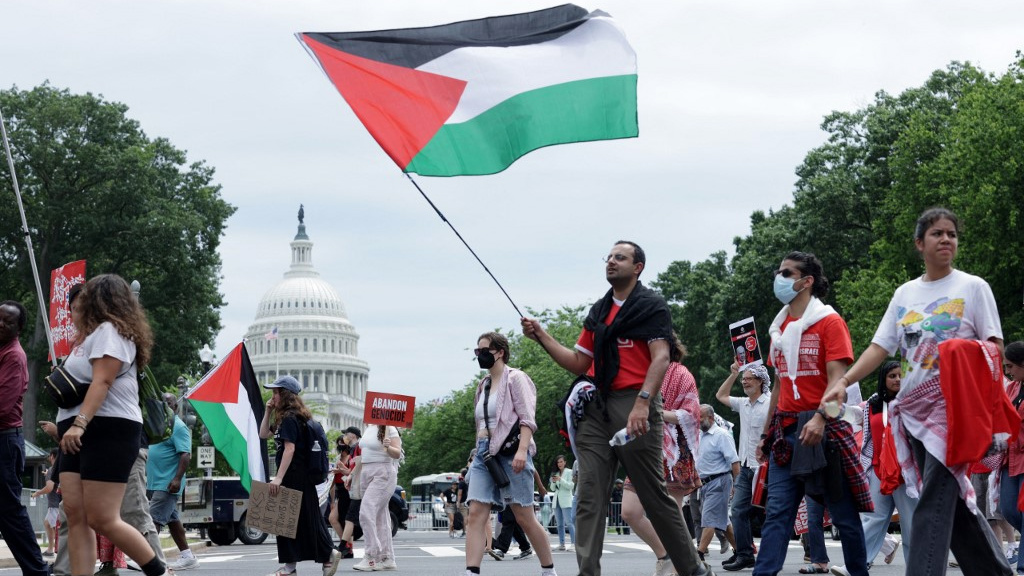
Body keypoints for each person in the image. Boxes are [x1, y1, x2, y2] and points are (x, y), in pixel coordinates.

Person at [822, 207, 1014, 576]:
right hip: (912, 414)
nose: (946, 239)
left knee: (931, 502)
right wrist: (843, 382)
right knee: (951, 505)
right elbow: (881, 347)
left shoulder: (973, 287)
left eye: (952, 234)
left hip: (954, 413)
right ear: (919, 243)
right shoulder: (905, 292)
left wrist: (959, 354)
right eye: (937, 233)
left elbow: (995, 349)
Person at [522, 240, 709, 576]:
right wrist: (543, 337)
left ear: (637, 267)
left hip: (635, 404)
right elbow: (580, 362)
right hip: (598, 407)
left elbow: (661, 358)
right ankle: (588, 573)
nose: (611, 262)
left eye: (620, 258)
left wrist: (643, 403)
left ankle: (694, 570)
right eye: (608, 257)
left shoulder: (651, 307)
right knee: (589, 494)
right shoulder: (599, 311)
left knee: (654, 497)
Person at [752, 252, 870, 576]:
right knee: (777, 513)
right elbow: (777, 387)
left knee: (844, 515)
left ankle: (860, 571)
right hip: (786, 433)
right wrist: (765, 434)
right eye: (779, 271)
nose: (779, 278)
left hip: (826, 429)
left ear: (807, 281)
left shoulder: (830, 323)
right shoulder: (779, 329)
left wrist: (820, 418)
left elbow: (839, 384)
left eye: (787, 273)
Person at [56, 275, 172, 576]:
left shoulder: (111, 331)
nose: (80, 301)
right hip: (75, 430)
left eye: (88, 295)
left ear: (99, 298)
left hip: (106, 429)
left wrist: (80, 424)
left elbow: (103, 381)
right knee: (75, 514)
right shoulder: (88, 337)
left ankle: (158, 571)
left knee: (102, 517)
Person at [464, 331, 556, 576]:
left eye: (485, 351)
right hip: (485, 454)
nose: (480, 356)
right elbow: (481, 423)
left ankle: (549, 570)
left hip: (512, 451)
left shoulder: (516, 378)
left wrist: (523, 451)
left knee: (524, 515)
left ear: (500, 352)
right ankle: (471, 571)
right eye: (477, 352)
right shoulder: (482, 385)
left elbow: (527, 419)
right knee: (475, 514)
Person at [619, 337, 701, 576]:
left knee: (672, 516)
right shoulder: (642, 374)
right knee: (629, 511)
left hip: (674, 451)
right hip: (644, 447)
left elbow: (691, 414)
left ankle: (681, 565)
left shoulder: (682, 374)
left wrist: (657, 413)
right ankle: (666, 555)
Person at [831, 361, 916, 576]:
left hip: (905, 473)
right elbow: (853, 416)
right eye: (892, 376)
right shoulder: (872, 404)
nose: (897, 379)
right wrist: (829, 407)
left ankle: (917, 569)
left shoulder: (912, 402)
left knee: (911, 524)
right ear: (883, 379)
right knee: (871, 520)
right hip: (879, 470)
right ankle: (855, 566)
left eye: (900, 376)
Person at [259, 375, 340, 576]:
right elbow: (263, 434)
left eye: (276, 392)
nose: (273, 396)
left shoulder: (289, 419)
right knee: (305, 519)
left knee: (285, 521)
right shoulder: (291, 418)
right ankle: (322, 556)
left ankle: (295, 565)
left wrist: (278, 477)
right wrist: (268, 410)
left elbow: (289, 449)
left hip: (293, 476)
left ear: (285, 395)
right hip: (300, 477)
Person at [0, 299, 50, 576]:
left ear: (18, 328)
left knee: (9, 512)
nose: (0, 324)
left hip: (5, 442)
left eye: (7, 321)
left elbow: (3, 405)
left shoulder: (14, 356)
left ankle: (37, 570)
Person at [715, 363, 770, 571]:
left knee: (770, 513)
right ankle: (745, 554)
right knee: (738, 510)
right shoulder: (743, 403)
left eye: (748, 378)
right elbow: (721, 395)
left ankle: (772, 554)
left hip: (766, 468)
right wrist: (733, 374)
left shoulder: (770, 403)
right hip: (747, 468)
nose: (744, 382)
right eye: (743, 379)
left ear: (760, 382)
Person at [146, 393, 199, 571]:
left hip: (167, 483)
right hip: (155, 482)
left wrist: (176, 479)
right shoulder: (157, 427)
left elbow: (185, 454)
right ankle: (187, 556)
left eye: (169, 403)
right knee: (173, 521)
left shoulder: (178, 426)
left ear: (175, 407)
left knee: (153, 522)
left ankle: (151, 561)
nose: (165, 406)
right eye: (162, 403)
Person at [354, 421, 403, 571]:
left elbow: (397, 453)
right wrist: (351, 474)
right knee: (380, 516)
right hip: (367, 472)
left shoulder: (390, 428)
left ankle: (371, 556)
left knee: (366, 511)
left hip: (383, 472)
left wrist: (387, 446)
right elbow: (364, 455)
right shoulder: (369, 427)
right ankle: (387, 558)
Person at [695, 405, 739, 561]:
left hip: (719, 482)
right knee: (723, 522)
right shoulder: (699, 435)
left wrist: (737, 485)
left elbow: (734, 462)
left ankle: (699, 555)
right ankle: (741, 552)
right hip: (705, 484)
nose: (697, 420)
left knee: (709, 519)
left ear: (711, 418)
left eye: (700, 417)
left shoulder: (722, 435)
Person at [1000, 341, 1024, 575]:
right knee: (1007, 509)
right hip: (1010, 457)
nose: (1008, 372)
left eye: (1010, 367)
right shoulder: (1011, 389)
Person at [338, 426, 363, 559]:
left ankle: (343, 547)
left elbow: (360, 464)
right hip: (356, 488)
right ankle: (344, 546)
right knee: (351, 518)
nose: (344, 438)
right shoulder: (354, 449)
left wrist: (350, 475)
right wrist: (345, 471)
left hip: (359, 489)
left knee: (350, 518)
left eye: (346, 435)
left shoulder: (358, 447)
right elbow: (352, 470)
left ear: (352, 436)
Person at [32, 449, 61, 558]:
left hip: (54, 503)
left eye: (49, 456)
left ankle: (53, 550)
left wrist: (37, 493)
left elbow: (49, 487)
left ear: (52, 456)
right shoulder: (59, 469)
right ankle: (51, 549)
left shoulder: (51, 470)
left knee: (56, 527)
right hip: (60, 502)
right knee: (48, 523)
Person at [328, 441, 352, 550]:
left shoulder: (350, 458)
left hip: (347, 490)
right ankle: (346, 545)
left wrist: (340, 470)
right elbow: (332, 482)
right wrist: (332, 501)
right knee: (334, 519)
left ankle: (346, 546)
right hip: (339, 491)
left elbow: (350, 473)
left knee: (344, 520)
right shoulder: (338, 460)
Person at [548, 455, 575, 551]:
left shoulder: (569, 472)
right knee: (559, 524)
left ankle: (573, 544)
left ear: (565, 462)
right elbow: (552, 488)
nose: (559, 464)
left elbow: (570, 486)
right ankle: (562, 544)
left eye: (561, 462)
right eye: (558, 462)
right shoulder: (556, 473)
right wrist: (553, 481)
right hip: (557, 501)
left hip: (566, 500)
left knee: (569, 523)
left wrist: (560, 480)